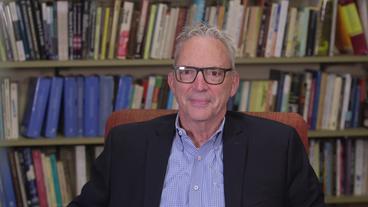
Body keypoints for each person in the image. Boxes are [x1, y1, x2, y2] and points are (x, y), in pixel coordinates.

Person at [68, 23, 326, 207]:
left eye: (213, 73)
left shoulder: (278, 145)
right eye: (187, 71)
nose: (199, 85)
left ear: (233, 84)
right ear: (172, 81)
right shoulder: (126, 144)